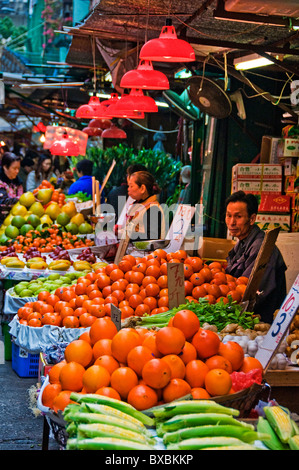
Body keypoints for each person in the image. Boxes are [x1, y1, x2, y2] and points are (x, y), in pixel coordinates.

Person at [225, 190, 287, 324]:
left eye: (238, 216)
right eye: (228, 216)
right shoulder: (242, 242)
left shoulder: (261, 248)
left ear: (252, 219)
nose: (231, 222)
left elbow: (250, 294)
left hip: (262, 322)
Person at [125, 170, 165, 241]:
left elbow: (152, 236)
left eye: (131, 186)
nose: (128, 189)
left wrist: (126, 234)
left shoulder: (153, 208)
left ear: (142, 188)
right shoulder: (139, 203)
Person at [0, 152, 23, 225]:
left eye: (18, 168)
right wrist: (22, 199)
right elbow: (2, 202)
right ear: (5, 167)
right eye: (14, 168)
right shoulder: (1, 182)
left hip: (17, 220)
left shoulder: (18, 182)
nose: (17, 171)